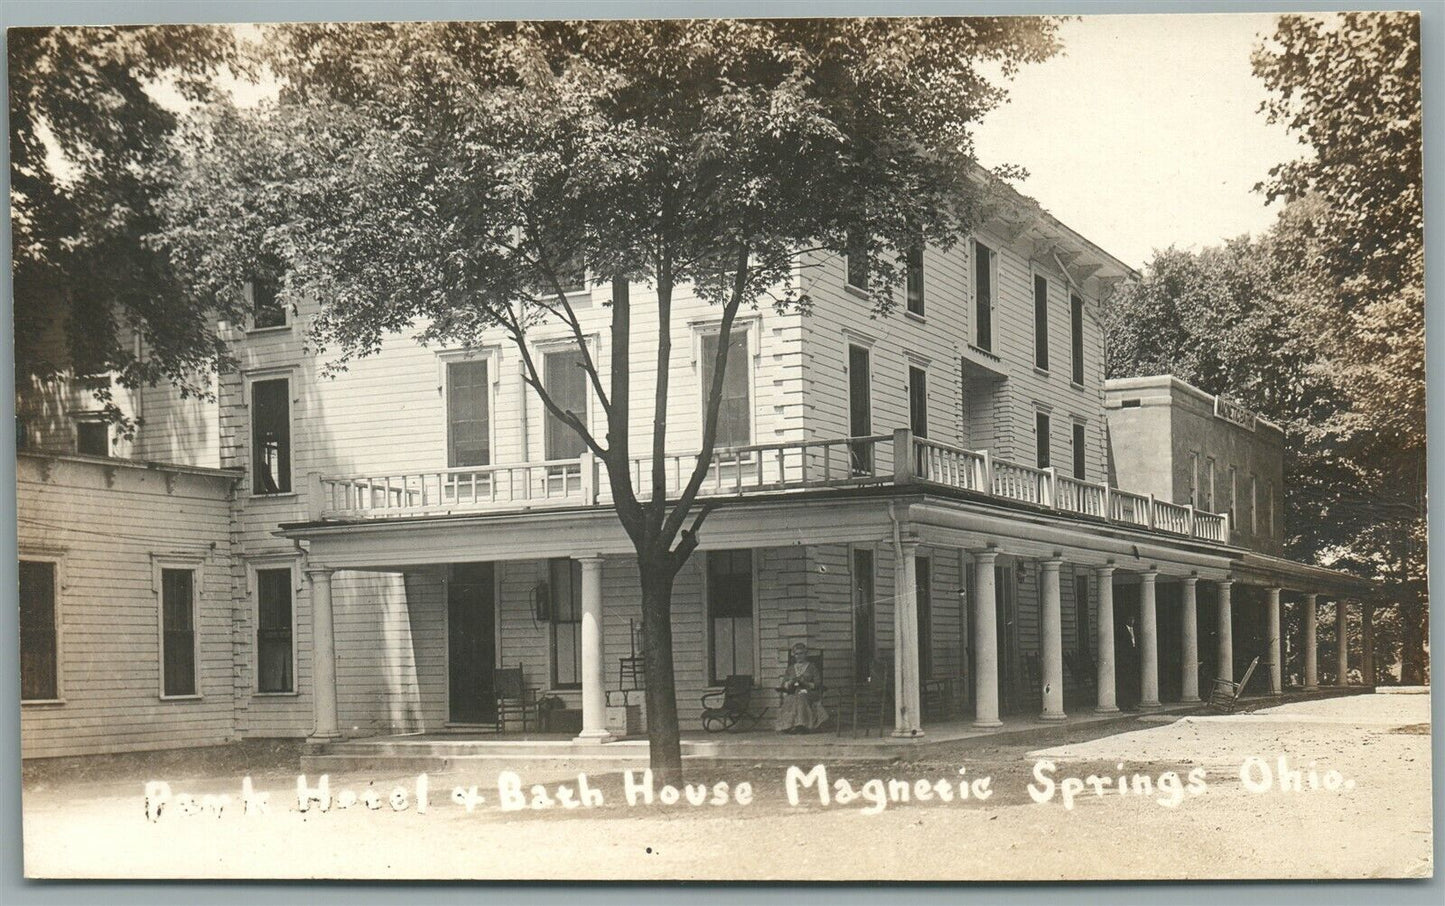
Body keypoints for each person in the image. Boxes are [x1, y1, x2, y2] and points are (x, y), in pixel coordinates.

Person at [776, 642, 828, 733]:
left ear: (805, 654)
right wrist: (789, 682)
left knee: (801, 695)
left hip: (808, 691)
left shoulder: (812, 667)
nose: (799, 656)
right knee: (790, 698)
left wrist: (806, 683)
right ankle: (789, 726)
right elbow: (784, 683)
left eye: (801, 653)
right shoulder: (791, 668)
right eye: (796, 654)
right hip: (794, 691)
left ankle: (802, 725)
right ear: (794, 655)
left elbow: (818, 683)